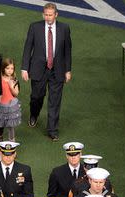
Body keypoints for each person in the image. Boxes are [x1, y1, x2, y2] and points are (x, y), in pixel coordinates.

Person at [21, 2, 72, 141]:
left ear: (56, 15)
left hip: (58, 70)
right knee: (37, 96)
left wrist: (68, 70)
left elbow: (68, 50)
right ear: (43, 14)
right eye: (46, 15)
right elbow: (28, 48)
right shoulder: (34, 27)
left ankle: (52, 130)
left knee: (55, 101)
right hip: (38, 69)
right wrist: (25, 68)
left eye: (50, 15)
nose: (48, 18)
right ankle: (34, 114)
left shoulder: (64, 28)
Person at [0, 57, 22, 142]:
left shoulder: (14, 80)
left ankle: (12, 143)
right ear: (3, 68)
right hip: (2, 105)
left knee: (11, 126)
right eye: (7, 68)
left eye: (12, 68)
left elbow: (16, 93)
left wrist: (11, 86)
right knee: (1, 124)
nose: (10, 70)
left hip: (11, 106)